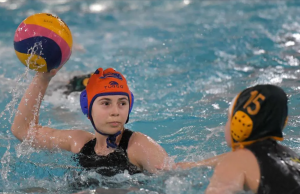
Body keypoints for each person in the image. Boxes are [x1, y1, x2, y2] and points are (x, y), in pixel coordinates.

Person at [11, 67, 173, 177]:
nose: (116, 111)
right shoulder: (79, 142)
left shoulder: (138, 146)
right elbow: (23, 131)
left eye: (122, 103)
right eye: (106, 103)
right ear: (88, 110)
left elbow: (174, 174)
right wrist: (43, 78)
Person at [205, 84, 300, 194]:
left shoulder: (235, 160)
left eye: (228, 118)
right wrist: (196, 165)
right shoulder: (289, 154)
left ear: (240, 123)